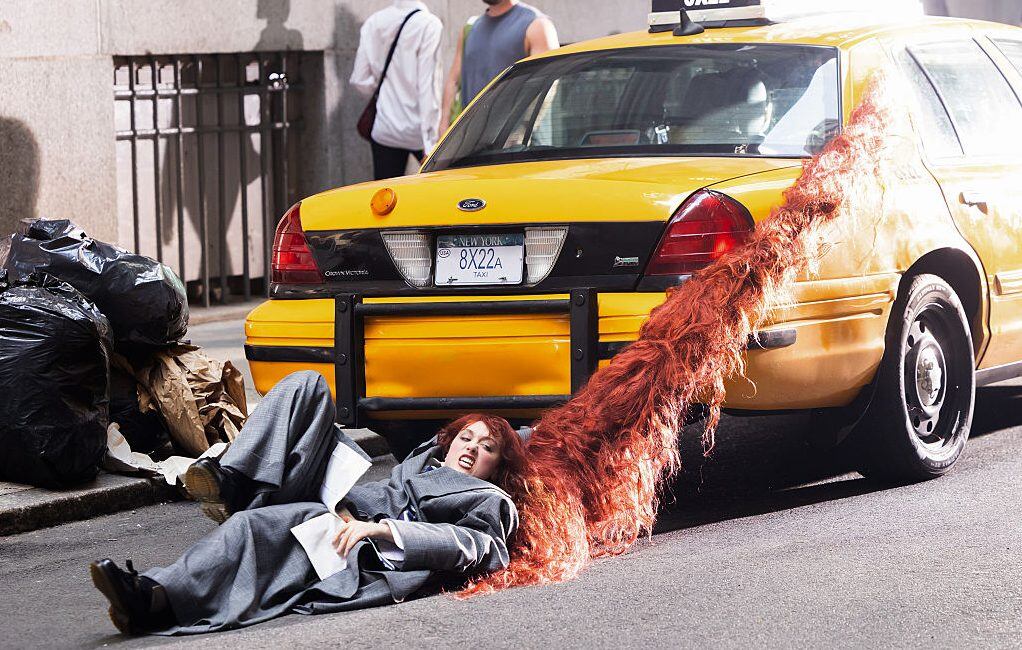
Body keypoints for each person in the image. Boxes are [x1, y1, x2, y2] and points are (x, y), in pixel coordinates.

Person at [88, 371, 527, 635]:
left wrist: (380, 530)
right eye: (465, 437)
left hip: (359, 545)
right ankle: (232, 480)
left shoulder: (490, 499)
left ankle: (153, 596)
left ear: (498, 465)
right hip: (337, 500)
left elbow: (476, 545)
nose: (470, 448)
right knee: (309, 386)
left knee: (254, 529)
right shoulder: (423, 460)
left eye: (486, 447)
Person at [350, 1, 443, 180]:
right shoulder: (429, 24)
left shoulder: (374, 22)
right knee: (438, 197)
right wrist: (432, 143)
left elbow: (359, 80)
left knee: (384, 200)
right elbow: (428, 87)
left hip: (385, 129)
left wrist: (388, 94)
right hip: (420, 132)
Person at [440, 0, 559, 133]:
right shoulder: (470, 29)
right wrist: (444, 125)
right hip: (470, 142)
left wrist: (520, 132)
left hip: (518, 147)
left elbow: (548, 86)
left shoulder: (537, 25)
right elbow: (454, 80)